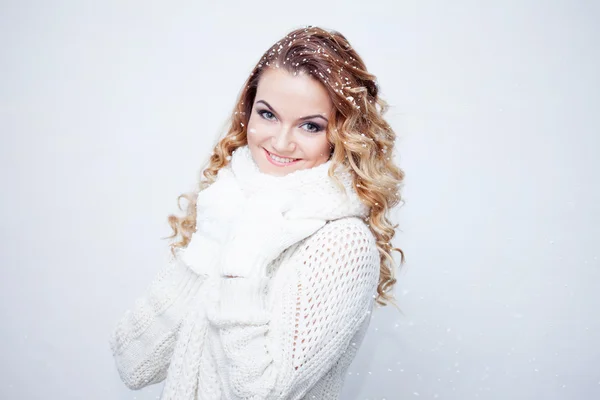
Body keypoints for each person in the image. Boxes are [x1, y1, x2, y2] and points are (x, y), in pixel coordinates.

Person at [108, 25, 405, 400]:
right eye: (268, 115)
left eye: (310, 125)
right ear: (248, 111)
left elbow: (261, 394)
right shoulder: (229, 205)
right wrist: (208, 246)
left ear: (342, 133)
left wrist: (240, 266)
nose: (281, 142)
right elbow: (134, 363)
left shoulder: (343, 245)